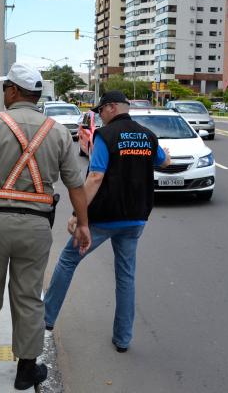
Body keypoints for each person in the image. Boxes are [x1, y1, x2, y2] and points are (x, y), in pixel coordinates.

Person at [0, 63, 91, 389]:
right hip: (36, 228)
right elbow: (76, 186)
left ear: (14, 91)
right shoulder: (57, 132)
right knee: (29, 297)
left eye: (5, 88)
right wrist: (83, 224)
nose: (4, 92)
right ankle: (26, 369)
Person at [44, 90, 170, 353]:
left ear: (112, 108)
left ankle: (45, 320)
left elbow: (94, 177)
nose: (98, 115)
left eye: (100, 110)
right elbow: (165, 161)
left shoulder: (106, 136)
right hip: (136, 219)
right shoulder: (148, 136)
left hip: (103, 218)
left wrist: (78, 216)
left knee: (68, 260)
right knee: (126, 276)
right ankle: (123, 339)